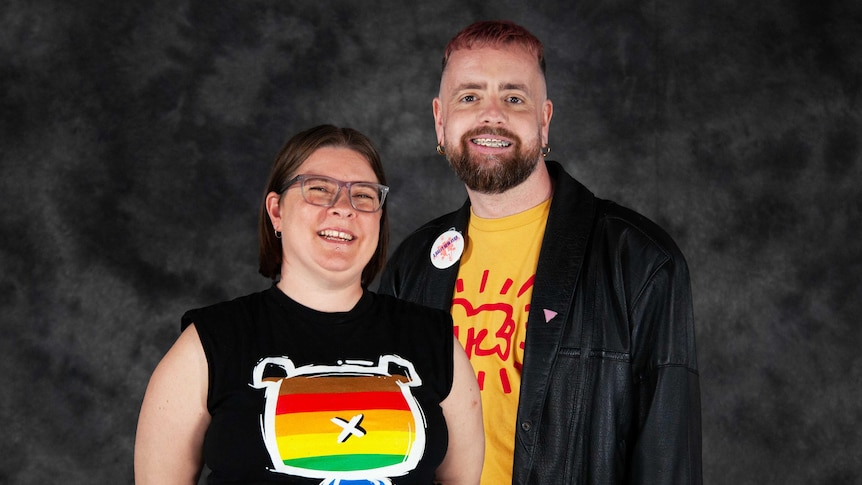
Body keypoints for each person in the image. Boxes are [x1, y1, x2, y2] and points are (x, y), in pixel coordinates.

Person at [379, 20, 702, 484]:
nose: (491, 116)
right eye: (469, 97)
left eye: (514, 98)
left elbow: (668, 465)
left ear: (544, 119)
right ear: (440, 119)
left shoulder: (640, 261)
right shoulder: (411, 267)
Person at [135, 125, 483, 484]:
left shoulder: (434, 341)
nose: (343, 209)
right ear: (276, 211)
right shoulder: (208, 344)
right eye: (318, 190)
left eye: (363, 196)